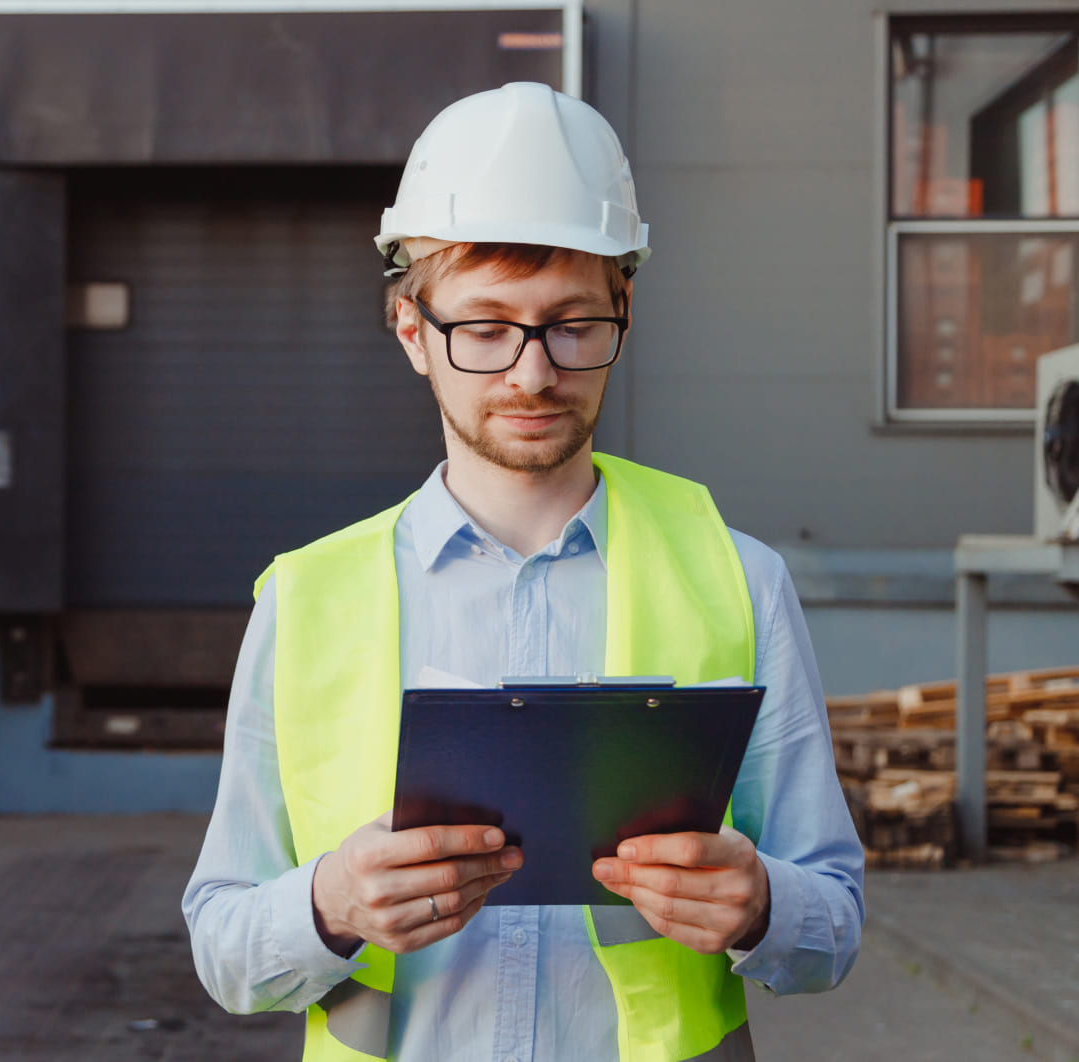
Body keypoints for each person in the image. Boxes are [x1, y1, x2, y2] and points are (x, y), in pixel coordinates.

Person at [182, 82, 865, 1062]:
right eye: (486, 327)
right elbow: (226, 950)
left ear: (623, 313)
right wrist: (328, 904)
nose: (534, 373)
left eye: (572, 325)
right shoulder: (306, 599)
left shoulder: (739, 578)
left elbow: (832, 927)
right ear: (413, 332)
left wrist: (761, 904)